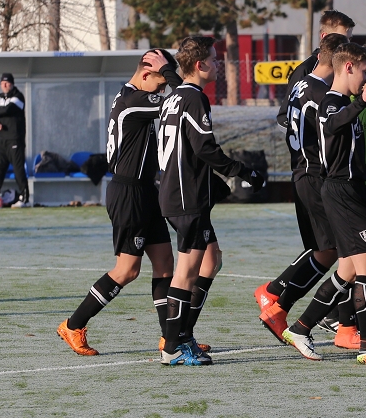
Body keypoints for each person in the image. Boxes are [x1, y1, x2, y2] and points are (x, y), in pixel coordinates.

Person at [57, 50, 181, 356]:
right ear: (145, 74)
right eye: (161, 81)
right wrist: (175, 78)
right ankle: (73, 324)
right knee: (127, 270)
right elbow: (182, 101)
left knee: (165, 263)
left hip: (145, 191)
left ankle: (170, 337)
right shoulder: (134, 100)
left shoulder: (136, 96)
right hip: (129, 194)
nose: (164, 88)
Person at [157, 36, 265, 366]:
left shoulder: (177, 96)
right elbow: (204, 148)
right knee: (186, 271)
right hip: (186, 198)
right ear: (200, 65)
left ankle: (181, 336)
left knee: (211, 260)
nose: (218, 65)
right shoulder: (193, 98)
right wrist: (242, 171)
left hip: (181, 194)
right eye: (214, 60)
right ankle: (173, 345)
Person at [280, 43, 366, 362]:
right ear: (349, 67)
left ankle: (301, 327)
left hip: (351, 187)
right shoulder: (330, 101)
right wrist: (361, 104)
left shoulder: (346, 103)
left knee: (349, 269)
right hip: (340, 192)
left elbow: (348, 154)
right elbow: (333, 122)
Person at [255, 34, 348, 345]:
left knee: (326, 251)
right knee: (343, 251)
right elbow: (331, 139)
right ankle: (289, 309)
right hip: (315, 175)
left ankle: (280, 303)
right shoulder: (322, 93)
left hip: (303, 173)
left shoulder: (302, 83)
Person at [275, 10, 355, 129]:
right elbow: (285, 117)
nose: (347, 45)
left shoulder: (348, 67)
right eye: (342, 39)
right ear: (324, 37)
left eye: (349, 39)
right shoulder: (306, 69)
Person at [0, 73, 29, 208]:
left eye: (7, 83)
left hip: (15, 139)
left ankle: (24, 198)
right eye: (2, 83)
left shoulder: (18, 96)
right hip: (2, 140)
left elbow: (8, 110)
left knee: (18, 169)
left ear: (12, 84)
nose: (4, 85)